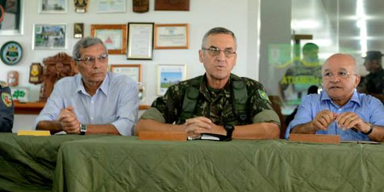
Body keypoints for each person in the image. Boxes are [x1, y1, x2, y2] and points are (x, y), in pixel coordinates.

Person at [136, 27, 280, 139]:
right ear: (201, 55)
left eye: (228, 51)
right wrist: (182, 129)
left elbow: (272, 130)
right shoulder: (180, 91)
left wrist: (222, 131)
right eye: (213, 50)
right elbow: (141, 126)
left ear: (235, 59)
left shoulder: (251, 89)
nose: (221, 58)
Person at [35, 37, 138, 135]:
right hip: (75, 150)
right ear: (74, 65)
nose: (97, 65)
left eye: (102, 58)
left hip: (113, 150)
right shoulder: (63, 86)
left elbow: (127, 126)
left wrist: (81, 128)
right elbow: (40, 124)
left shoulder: (125, 85)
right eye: (89, 59)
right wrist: (61, 125)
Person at [286, 53, 384, 142]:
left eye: (342, 73)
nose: (334, 79)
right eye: (328, 74)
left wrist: (366, 128)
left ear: (356, 80)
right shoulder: (310, 102)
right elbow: (291, 136)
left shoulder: (371, 103)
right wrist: (311, 126)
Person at [279, 42, 322, 107]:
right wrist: (284, 104)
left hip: (316, 108)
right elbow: (280, 87)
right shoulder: (294, 70)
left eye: (317, 53)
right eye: (313, 53)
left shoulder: (320, 70)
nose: (316, 55)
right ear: (305, 53)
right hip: (297, 108)